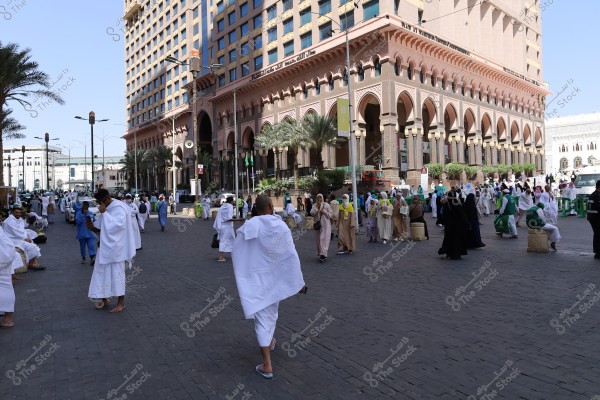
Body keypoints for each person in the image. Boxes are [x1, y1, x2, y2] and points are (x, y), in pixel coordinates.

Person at [231, 195, 306, 379]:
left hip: (257, 281)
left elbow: (238, 249)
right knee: (270, 316)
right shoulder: (280, 226)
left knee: (263, 320)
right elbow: (289, 255)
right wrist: (298, 281)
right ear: (272, 206)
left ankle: (267, 365)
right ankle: (269, 342)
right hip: (274, 282)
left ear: (256, 208)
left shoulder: (249, 227)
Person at [86, 189, 136, 313]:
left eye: (102, 202)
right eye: (99, 203)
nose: (101, 205)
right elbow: (104, 230)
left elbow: (117, 227)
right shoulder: (108, 209)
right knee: (101, 272)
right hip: (104, 248)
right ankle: (104, 298)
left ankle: (121, 302)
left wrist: (104, 214)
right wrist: (93, 228)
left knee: (117, 275)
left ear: (108, 198)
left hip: (117, 249)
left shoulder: (119, 208)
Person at [3, 205, 45, 271]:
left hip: (19, 238)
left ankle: (33, 262)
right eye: (16, 212)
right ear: (12, 213)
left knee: (32, 244)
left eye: (19, 212)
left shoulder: (19, 220)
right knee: (29, 246)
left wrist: (26, 237)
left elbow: (22, 230)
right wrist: (24, 238)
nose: (18, 214)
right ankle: (32, 264)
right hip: (12, 239)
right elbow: (15, 232)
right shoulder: (9, 221)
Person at [0, 214, 21, 328]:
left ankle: (7, 319)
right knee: (6, 286)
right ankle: (8, 318)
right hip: (5, 260)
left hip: (3, 260)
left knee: (5, 287)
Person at [437, 190, 469, 259]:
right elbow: (462, 216)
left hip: (449, 226)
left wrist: (443, 222)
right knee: (457, 240)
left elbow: (443, 215)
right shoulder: (457, 204)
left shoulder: (446, 204)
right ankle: (456, 253)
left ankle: (449, 252)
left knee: (449, 239)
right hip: (458, 226)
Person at [214, 197, 244, 262]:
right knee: (224, 240)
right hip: (227, 226)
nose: (234, 202)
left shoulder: (223, 206)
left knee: (230, 239)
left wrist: (233, 217)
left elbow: (225, 217)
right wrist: (239, 219)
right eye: (233, 201)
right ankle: (221, 257)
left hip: (222, 226)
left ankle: (235, 254)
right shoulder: (230, 206)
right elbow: (228, 218)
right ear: (231, 201)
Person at [310, 194, 332, 262]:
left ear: (322, 198)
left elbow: (330, 215)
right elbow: (311, 213)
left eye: (320, 197)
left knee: (325, 239)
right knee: (319, 239)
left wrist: (324, 212)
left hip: (326, 225)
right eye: (318, 197)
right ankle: (321, 253)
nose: (319, 198)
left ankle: (324, 254)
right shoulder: (314, 205)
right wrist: (317, 208)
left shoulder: (326, 205)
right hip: (318, 225)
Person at [588, 181, 600, 259]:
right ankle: (598, 253)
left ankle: (597, 252)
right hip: (597, 218)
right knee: (598, 235)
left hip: (592, 217)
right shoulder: (598, 195)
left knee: (597, 234)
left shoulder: (592, 194)